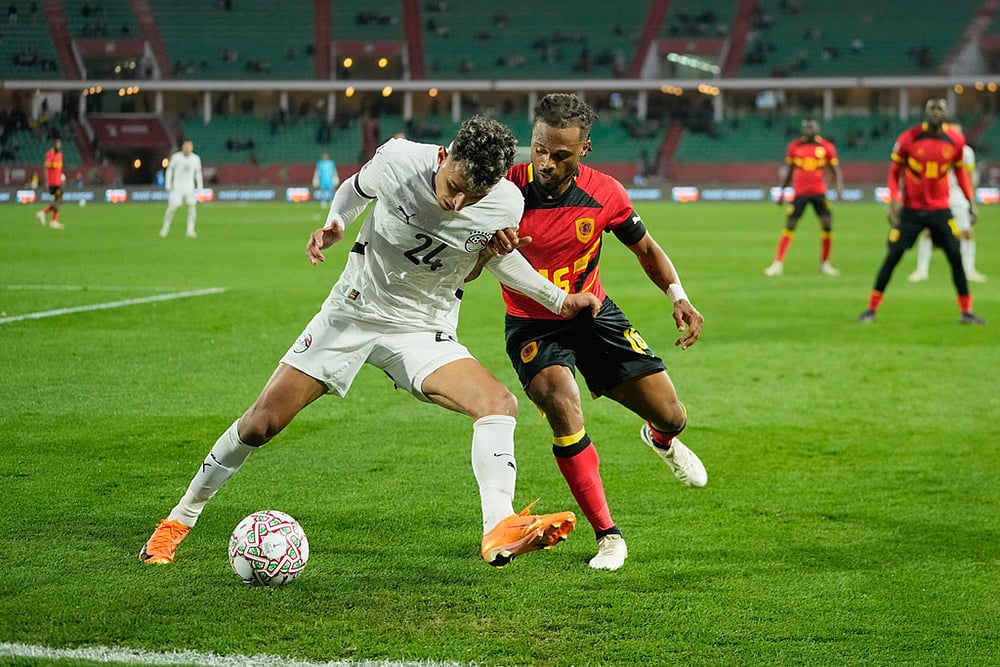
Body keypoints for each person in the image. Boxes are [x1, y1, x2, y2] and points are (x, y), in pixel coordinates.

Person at [139, 116, 603, 570]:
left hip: (424, 327)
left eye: (471, 196)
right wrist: (337, 222)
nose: (457, 202)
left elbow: (496, 260)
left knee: (499, 404)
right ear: (443, 156)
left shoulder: (504, 202)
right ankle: (179, 520)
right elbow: (354, 190)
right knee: (261, 424)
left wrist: (558, 299)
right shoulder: (398, 160)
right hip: (353, 313)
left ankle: (499, 525)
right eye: (454, 185)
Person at [469, 93, 707, 571]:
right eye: (539, 149)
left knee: (672, 415)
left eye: (561, 155)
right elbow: (469, 273)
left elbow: (647, 250)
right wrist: (485, 248)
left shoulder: (606, 195)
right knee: (560, 397)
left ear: (585, 151)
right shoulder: (502, 192)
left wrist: (678, 295)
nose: (546, 163)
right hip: (533, 324)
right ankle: (608, 536)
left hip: (595, 315)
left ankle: (661, 439)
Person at [858, 98, 985, 325]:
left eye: (940, 109)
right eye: (932, 109)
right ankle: (871, 309)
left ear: (946, 114)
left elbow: (961, 176)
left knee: (956, 257)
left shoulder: (955, 141)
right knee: (892, 257)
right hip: (911, 211)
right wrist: (893, 200)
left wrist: (970, 202)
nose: (936, 113)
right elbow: (894, 171)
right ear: (925, 113)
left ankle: (966, 312)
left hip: (940, 210)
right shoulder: (909, 138)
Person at [908, 120, 987, 283]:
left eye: (959, 132)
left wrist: (970, 200)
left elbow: (969, 178)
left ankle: (969, 271)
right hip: (938, 196)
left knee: (966, 232)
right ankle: (921, 271)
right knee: (928, 232)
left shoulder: (967, 152)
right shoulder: (938, 149)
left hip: (958, 196)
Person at [764, 118, 844, 276]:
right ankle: (778, 263)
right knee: (790, 224)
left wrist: (839, 187)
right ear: (803, 130)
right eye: (807, 128)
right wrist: (781, 192)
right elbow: (789, 171)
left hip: (819, 192)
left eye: (812, 128)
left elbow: (835, 169)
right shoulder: (794, 147)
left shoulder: (826, 147)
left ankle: (825, 264)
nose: (809, 130)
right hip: (800, 192)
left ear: (817, 129)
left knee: (827, 224)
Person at [159, 139, 203, 238]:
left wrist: (200, 187)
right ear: (183, 147)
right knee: (172, 208)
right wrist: (168, 183)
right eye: (186, 146)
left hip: (190, 187)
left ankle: (190, 230)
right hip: (177, 187)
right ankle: (165, 229)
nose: (187, 148)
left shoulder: (195, 159)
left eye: (189, 146)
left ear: (192, 147)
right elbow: (169, 171)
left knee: (191, 208)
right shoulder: (176, 157)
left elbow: (198, 174)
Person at [36, 137, 65, 229]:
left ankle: (45, 215)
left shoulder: (60, 154)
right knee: (59, 200)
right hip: (52, 182)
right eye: (57, 144)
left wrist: (62, 178)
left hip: (57, 181)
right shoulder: (50, 154)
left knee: (58, 200)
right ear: (54, 145)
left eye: (59, 144)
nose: (58, 146)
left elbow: (59, 168)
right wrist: (46, 181)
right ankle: (52, 220)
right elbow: (46, 168)